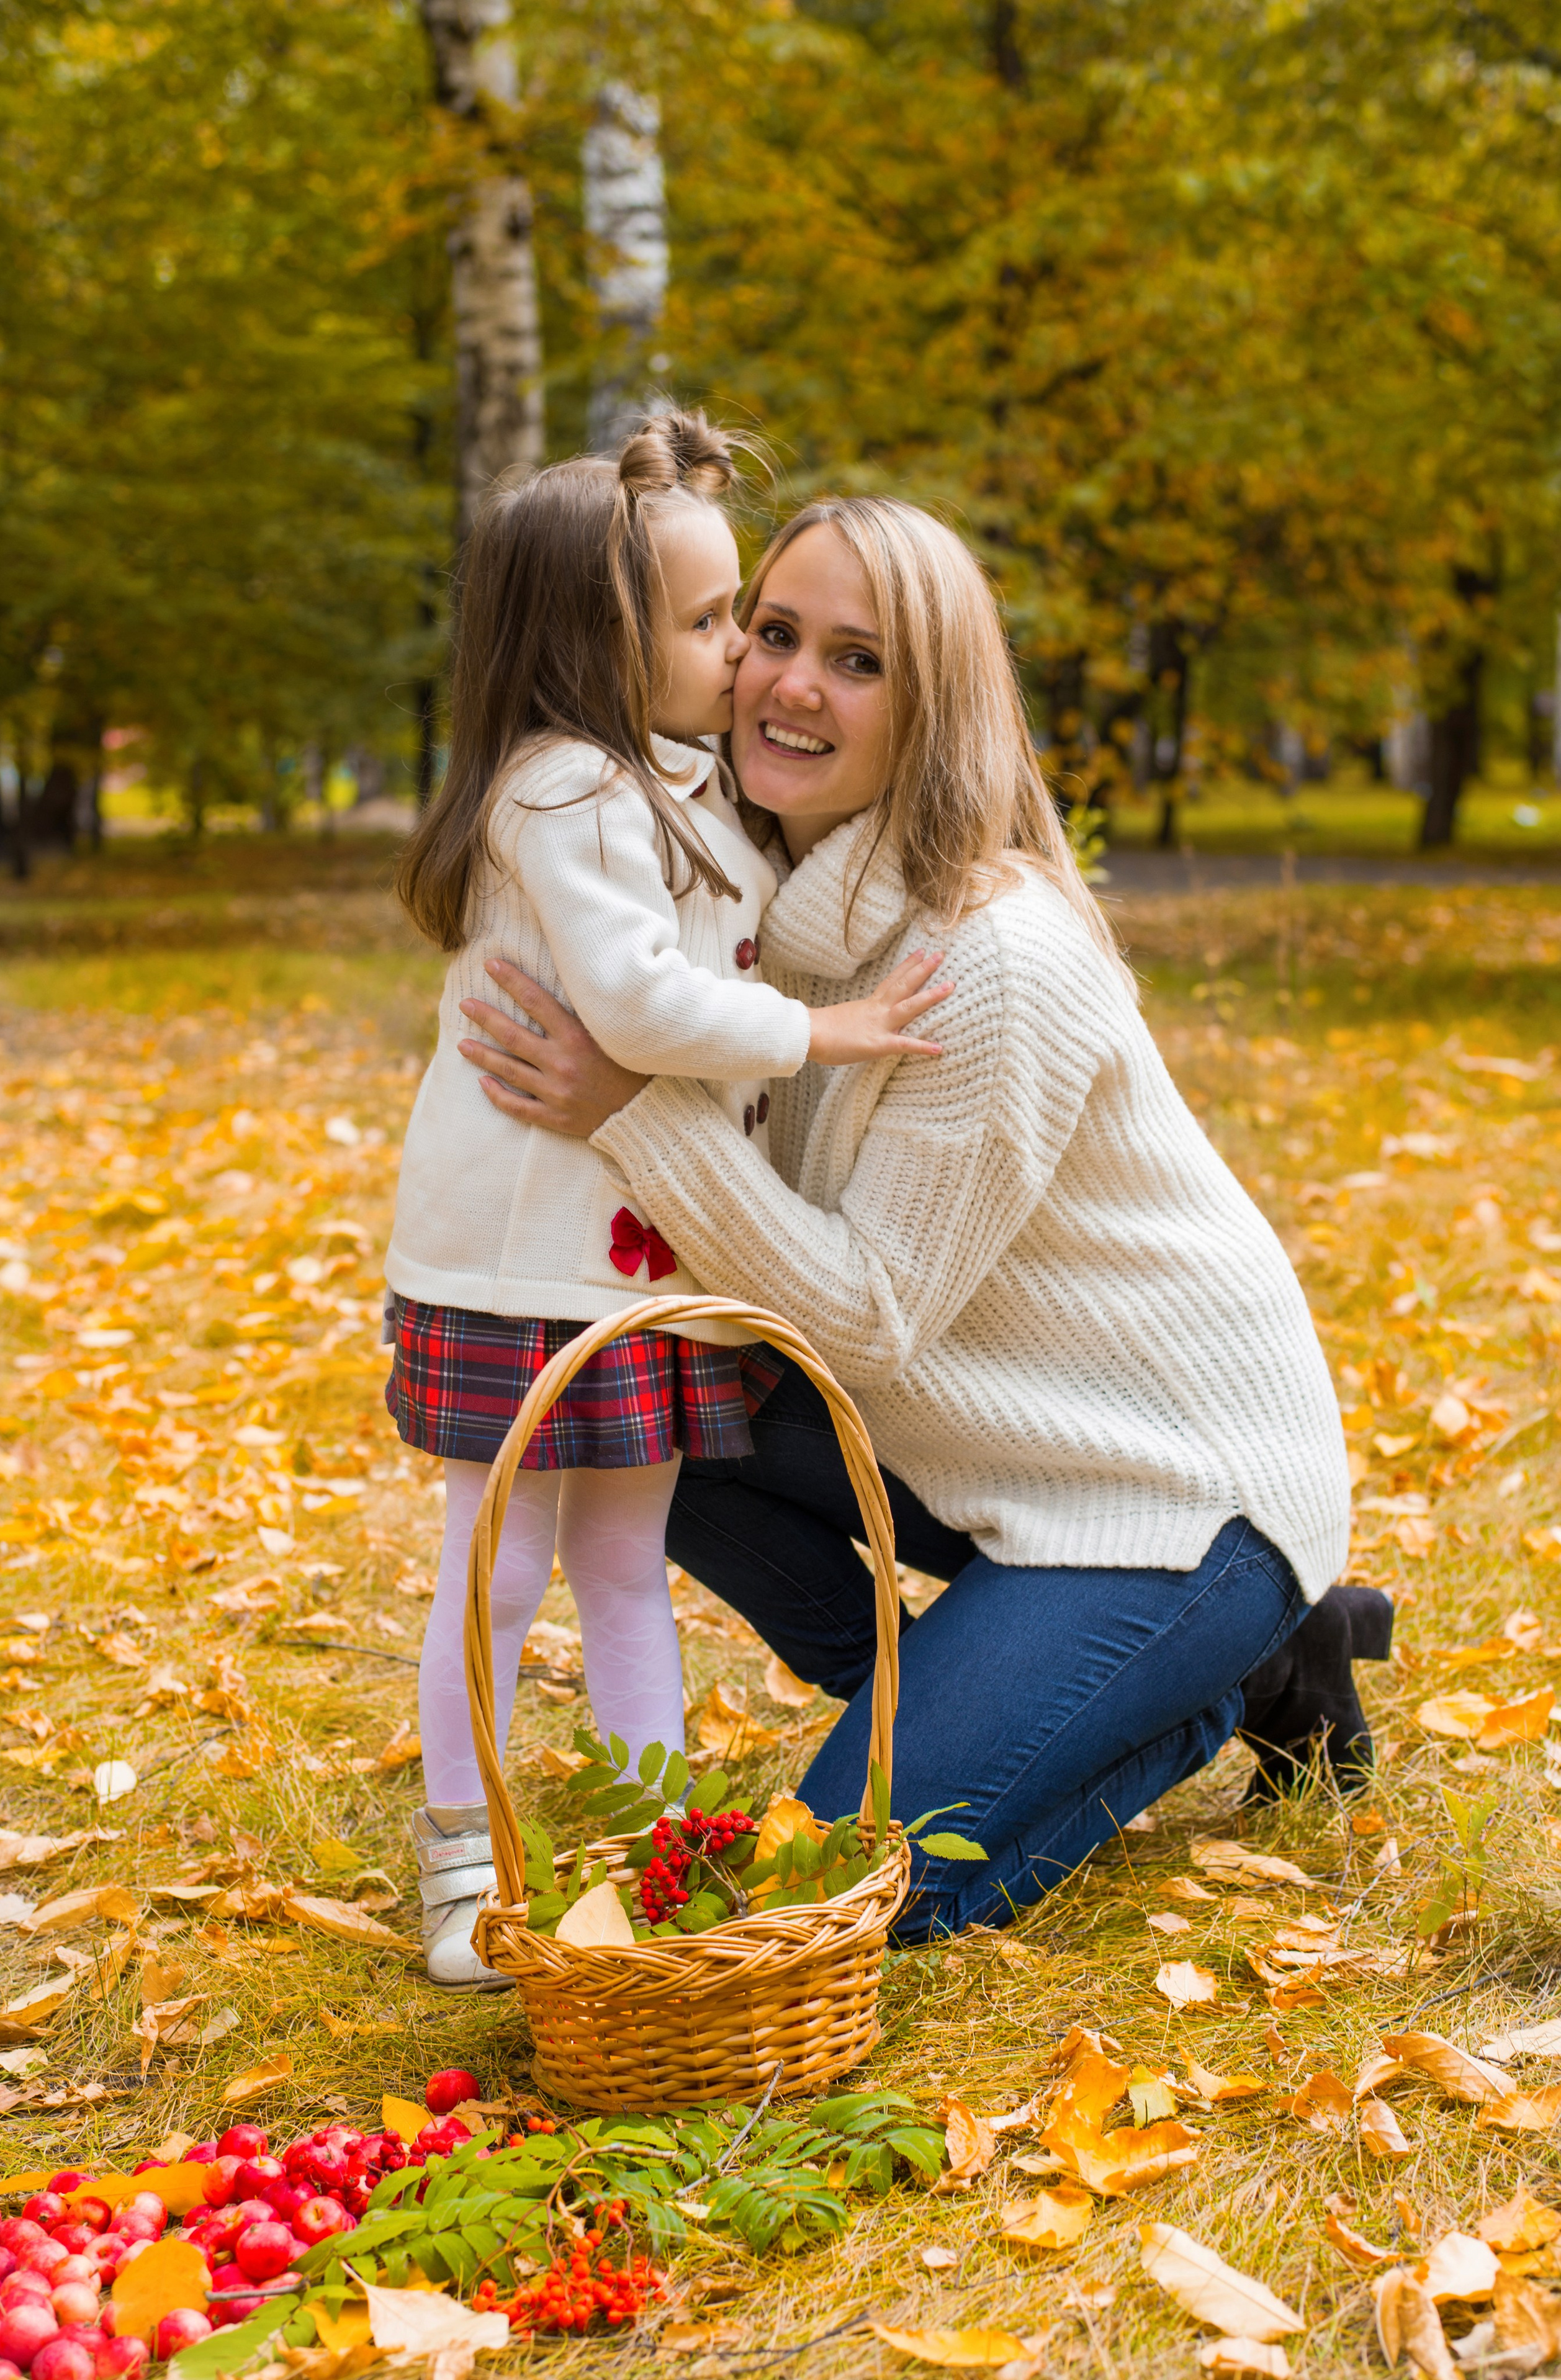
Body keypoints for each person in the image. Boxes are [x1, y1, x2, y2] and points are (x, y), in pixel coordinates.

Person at [452, 492, 1390, 1944]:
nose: (790, 683)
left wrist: (626, 1109)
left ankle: (1216, 1671)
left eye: (859, 659)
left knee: (845, 1903)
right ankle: (1084, 1674)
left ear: (933, 705)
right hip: (996, 1444)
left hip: (1164, 1492)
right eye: (770, 633)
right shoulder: (752, 911)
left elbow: (865, 1316)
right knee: (618, 1411)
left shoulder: (993, 956)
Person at [384, 420, 951, 1985]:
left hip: (633, 1270)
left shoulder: (675, 781)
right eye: (711, 624)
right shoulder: (563, 794)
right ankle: (461, 1862)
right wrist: (819, 1031)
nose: (740, 655)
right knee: (494, 1566)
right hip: (518, 1266)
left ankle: (644, 1856)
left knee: (625, 1570)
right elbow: (635, 1004)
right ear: (595, 640)